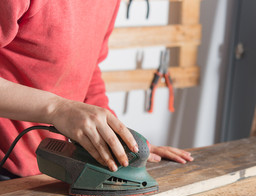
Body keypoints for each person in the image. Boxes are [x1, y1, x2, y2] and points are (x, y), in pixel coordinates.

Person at [0, 0, 193, 180]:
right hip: (6, 164)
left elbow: (87, 71)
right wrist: (57, 108)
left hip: (56, 167)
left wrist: (121, 142)